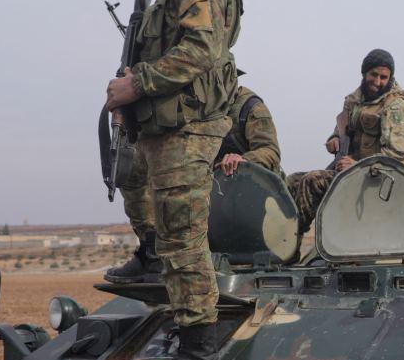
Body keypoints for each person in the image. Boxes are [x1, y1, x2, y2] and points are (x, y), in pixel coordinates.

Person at [103, 0, 242, 360]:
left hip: (189, 130)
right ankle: (194, 353)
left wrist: (136, 84)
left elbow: (199, 53)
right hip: (167, 130)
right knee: (170, 237)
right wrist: (130, 105)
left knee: (183, 241)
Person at [108, 84, 283, 284]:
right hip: (202, 196)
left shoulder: (248, 107)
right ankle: (152, 252)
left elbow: (270, 152)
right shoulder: (190, 106)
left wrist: (245, 160)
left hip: (248, 200)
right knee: (136, 168)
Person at [286, 49, 404, 231]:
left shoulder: (396, 107)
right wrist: (334, 140)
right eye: (374, 75)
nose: (378, 82)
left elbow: (397, 161)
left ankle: (292, 242)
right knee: (292, 181)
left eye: (384, 77)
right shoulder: (354, 101)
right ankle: (284, 237)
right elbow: (340, 129)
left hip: (378, 180)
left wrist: (357, 165)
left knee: (312, 181)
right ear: (364, 73)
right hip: (351, 173)